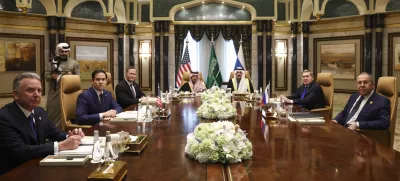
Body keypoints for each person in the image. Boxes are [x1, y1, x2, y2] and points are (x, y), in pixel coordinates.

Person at [0, 72, 84, 175]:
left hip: (36, 166)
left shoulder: (39, 111)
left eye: (39, 91)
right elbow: (20, 151)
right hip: (14, 172)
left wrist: (71, 135)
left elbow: (55, 133)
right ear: (16, 95)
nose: (37, 95)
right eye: (30, 90)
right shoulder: (4, 117)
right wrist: (60, 146)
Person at [46, 43, 80, 128]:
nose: (64, 53)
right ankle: (51, 131)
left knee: (67, 111)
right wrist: (52, 76)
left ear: (69, 52)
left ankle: (65, 131)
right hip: (55, 92)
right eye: (62, 51)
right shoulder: (52, 62)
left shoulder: (74, 63)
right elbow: (46, 76)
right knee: (52, 111)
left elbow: (78, 78)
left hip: (68, 92)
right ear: (58, 51)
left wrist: (71, 75)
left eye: (66, 51)